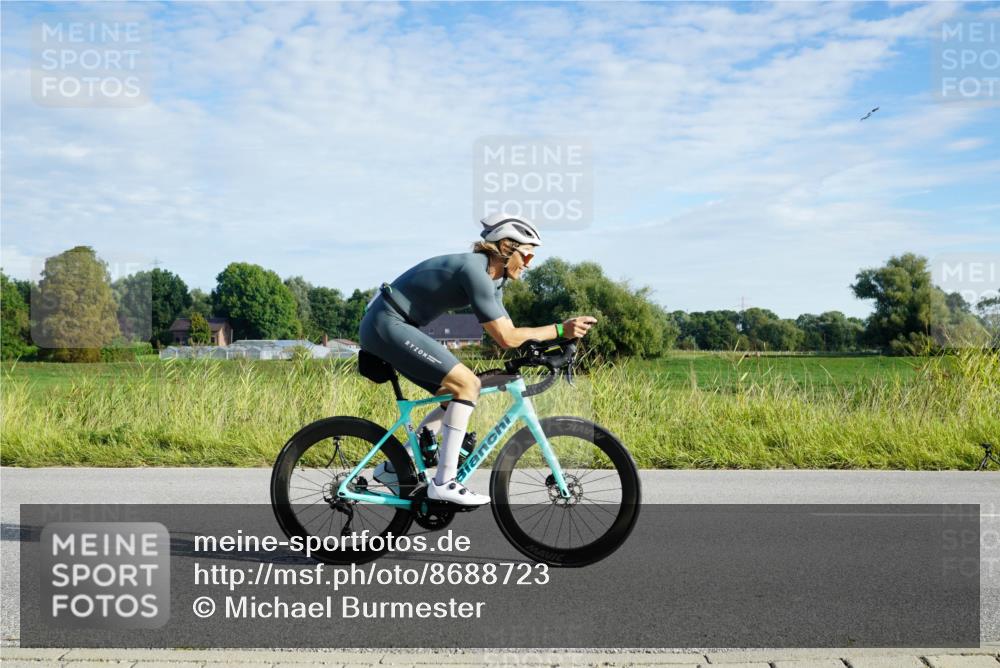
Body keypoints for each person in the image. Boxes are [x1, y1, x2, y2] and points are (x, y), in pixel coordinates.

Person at [359, 213, 597, 506]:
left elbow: (511, 333)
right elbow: (506, 338)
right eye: (526, 255)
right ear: (506, 247)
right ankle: (444, 482)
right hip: (386, 323)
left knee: (455, 393)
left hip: (395, 323)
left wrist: (552, 345)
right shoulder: (475, 272)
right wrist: (561, 330)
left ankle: (395, 467)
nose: (529, 263)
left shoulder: (495, 282)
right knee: (467, 384)